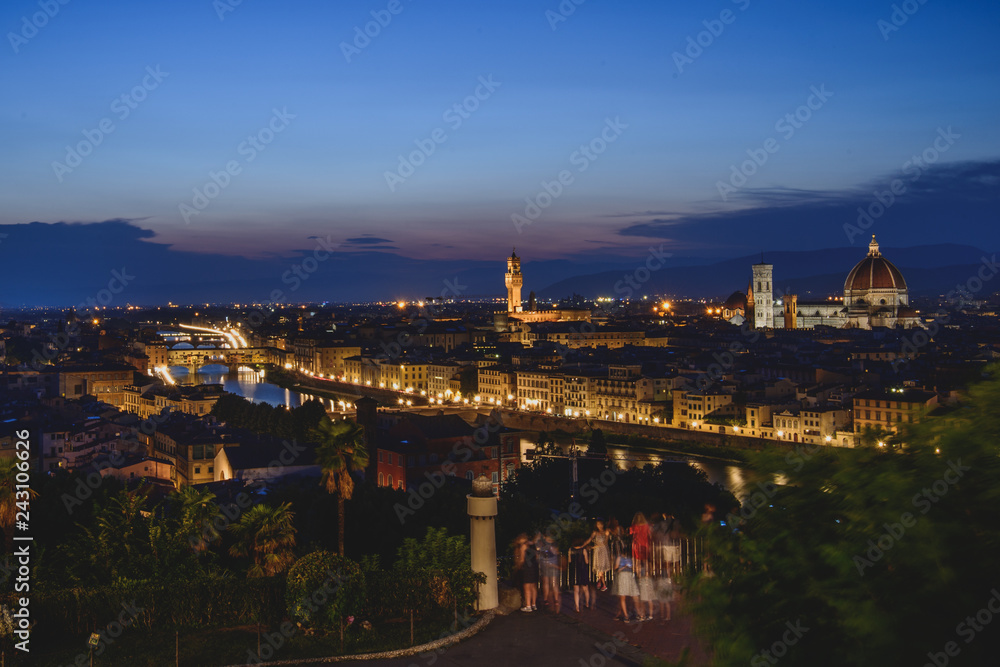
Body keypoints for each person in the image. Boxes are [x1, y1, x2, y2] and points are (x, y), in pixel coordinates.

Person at [580, 520, 611, 591]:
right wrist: (583, 545)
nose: (599, 526)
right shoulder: (595, 532)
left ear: (603, 524)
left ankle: (602, 583)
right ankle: (601, 583)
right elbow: (590, 539)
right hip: (597, 551)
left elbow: (605, 542)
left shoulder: (605, 532)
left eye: (600, 524)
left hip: (603, 551)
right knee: (599, 568)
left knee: (601, 568)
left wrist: (606, 535)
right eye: (598, 524)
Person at [612, 552, 640, 623]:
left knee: (632, 596)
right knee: (624, 596)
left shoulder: (630, 558)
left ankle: (633, 613)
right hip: (624, 576)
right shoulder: (622, 557)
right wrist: (623, 567)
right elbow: (615, 567)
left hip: (627, 576)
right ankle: (626, 615)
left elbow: (635, 568)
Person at [514, 534, 538, 612]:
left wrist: (518, 566)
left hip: (527, 568)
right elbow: (537, 556)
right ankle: (534, 604)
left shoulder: (523, 547)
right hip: (534, 567)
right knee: (533, 587)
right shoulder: (533, 545)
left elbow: (522, 559)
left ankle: (528, 605)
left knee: (527, 587)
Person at [538, 533, 561, 613]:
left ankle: (555, 599)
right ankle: (547, 599)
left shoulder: (552, 545)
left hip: (551, 565)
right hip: (547, 565)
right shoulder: (544, 545)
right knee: (547, 583)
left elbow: (556, 552)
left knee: (553, 583)